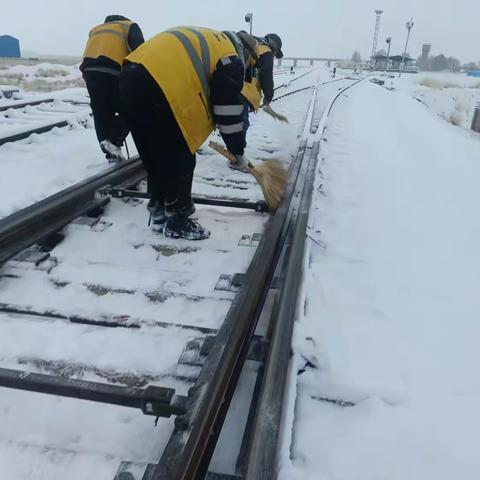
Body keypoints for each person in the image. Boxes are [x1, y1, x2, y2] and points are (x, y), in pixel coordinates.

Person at [119, 27, 258, 240]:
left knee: (155, 152)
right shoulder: (229, 57)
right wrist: (237, 150)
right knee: (181, 155)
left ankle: (158, 212)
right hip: (159, 85)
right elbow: (228, 110)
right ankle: (177, 220)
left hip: (129, 75)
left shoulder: (211, 40)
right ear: (245, 52)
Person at [80, 15, 144, 162]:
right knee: (133, 107)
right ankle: (114, 142)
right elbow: (141, 52)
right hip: (114, 70)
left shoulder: (96, 30)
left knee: (101, 110)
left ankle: (109, 149)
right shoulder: (129, 26)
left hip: (90, 72)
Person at [241, 33, 284, 114]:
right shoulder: (266, 51)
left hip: (233, 84)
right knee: (242, 123)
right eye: (276, 53)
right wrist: (268, 97)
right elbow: (266, 75)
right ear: (275, 47)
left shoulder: (256, 46)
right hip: (243, 92)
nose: (274, 56)